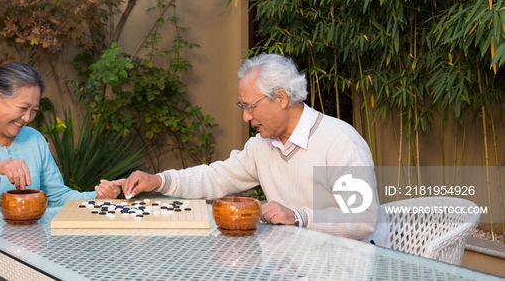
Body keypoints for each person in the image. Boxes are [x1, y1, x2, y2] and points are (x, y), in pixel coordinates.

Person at [121, 53, 387, 246]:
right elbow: (216, 177)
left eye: (250, 106)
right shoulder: (260, 146)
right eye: (243, 107)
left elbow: (363, 219)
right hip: (293, 263)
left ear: (281, 98)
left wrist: (298, 216)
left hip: (346, 266)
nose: (246, 117)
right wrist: (159, 180)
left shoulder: (339, 141)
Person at [0, 62, 121, 280]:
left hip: (33, 260)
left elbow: (57, 196)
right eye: (22, 108)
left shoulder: (35, 140)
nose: (27, 118)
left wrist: (97, 198)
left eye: (34, 110)